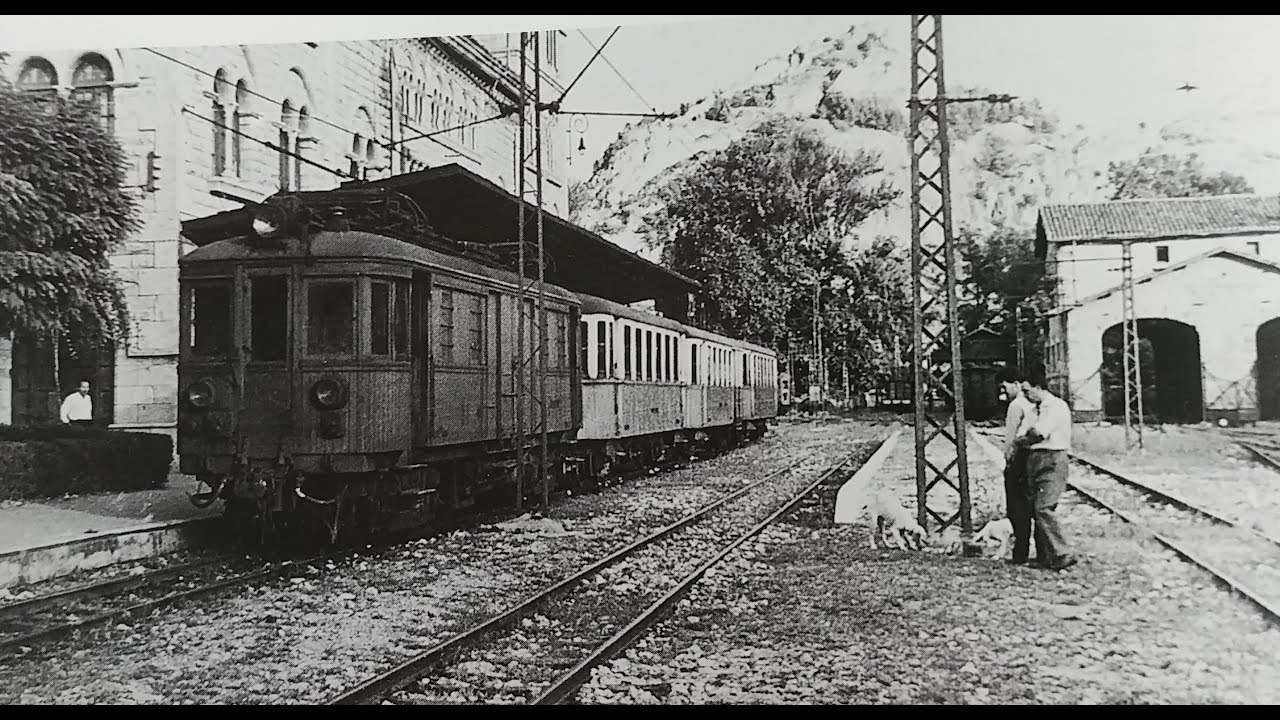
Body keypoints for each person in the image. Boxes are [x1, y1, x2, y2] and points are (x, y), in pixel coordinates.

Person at [1017, 371, 1078, 571]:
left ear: (1038, 387)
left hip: (1052, 457)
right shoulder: (1033, 410)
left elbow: (1037, 434)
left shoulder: (1057, 407)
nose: (1025, 395)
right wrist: (1026, 437)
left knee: (1044, 507)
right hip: (1033, 459)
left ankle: (1063, 552)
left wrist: (1027, 437)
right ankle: (1045, 556)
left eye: (1027, 390)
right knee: (1036, 508)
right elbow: (1022, 435)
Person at [996, 365, 1036, 565]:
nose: (1003, 392)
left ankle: (1020, 552)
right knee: (1030, 505)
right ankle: (1035, 550)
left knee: (1016, 507)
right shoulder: (1032, 403)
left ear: (1016, 384)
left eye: (1005, 387)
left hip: (1018, 458)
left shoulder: (1016, 406)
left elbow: (1010, 437)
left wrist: (1008, 460)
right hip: (1032, 456)